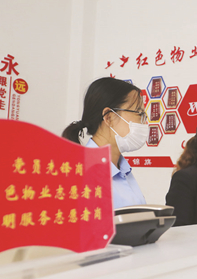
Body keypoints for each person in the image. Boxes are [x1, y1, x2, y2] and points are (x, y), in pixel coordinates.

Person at [62, 77, 149, 209]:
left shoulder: (123, 169)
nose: (144, 122)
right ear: (109, 117)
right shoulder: (84, 173)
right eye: (139, 113)